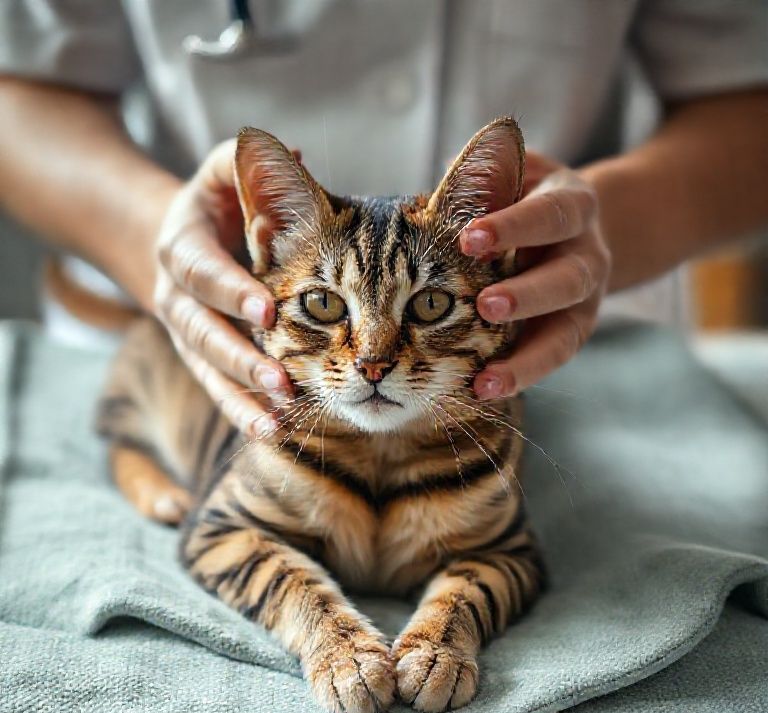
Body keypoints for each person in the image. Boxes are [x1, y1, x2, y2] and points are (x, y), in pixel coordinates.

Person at [0, 0, 766, 436]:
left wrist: (612, 223)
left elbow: (747, 91)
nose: (372, 357)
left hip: (564, 352)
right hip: (173, 347)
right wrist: (150, 235)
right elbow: (20, 85)